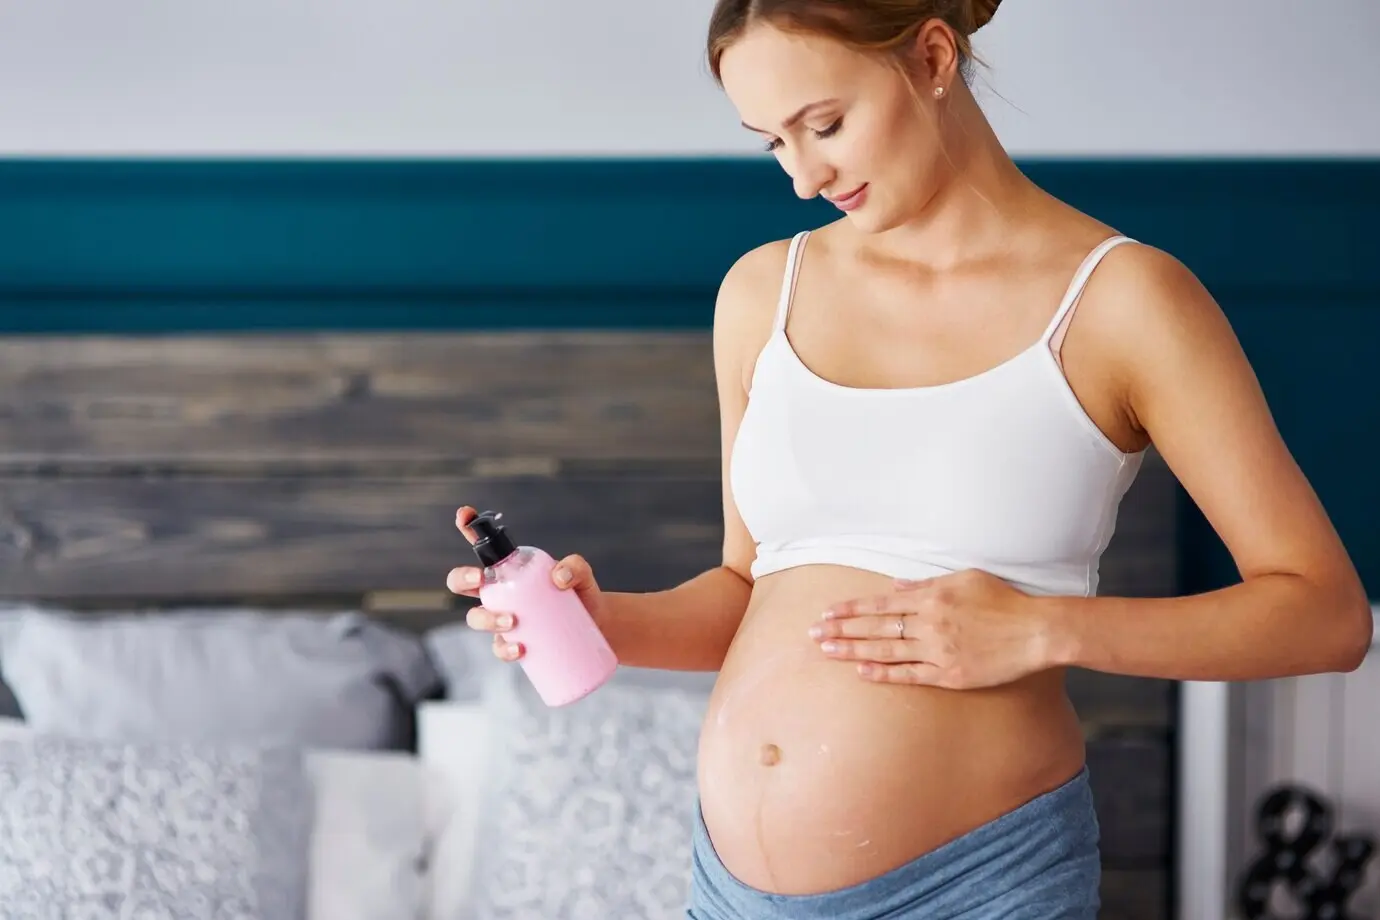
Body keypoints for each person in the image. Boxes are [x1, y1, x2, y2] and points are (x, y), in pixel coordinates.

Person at [448, 1, 1374, 917]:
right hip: (728, 895)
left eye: (826, 124)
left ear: (932, 57)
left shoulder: (1122, 302)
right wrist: (603, 620)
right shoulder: (762, 292)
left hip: (979, 886)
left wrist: (1046, 629)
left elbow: (1326, 617)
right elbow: (747, 588)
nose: (805, 177)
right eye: (773, 142)